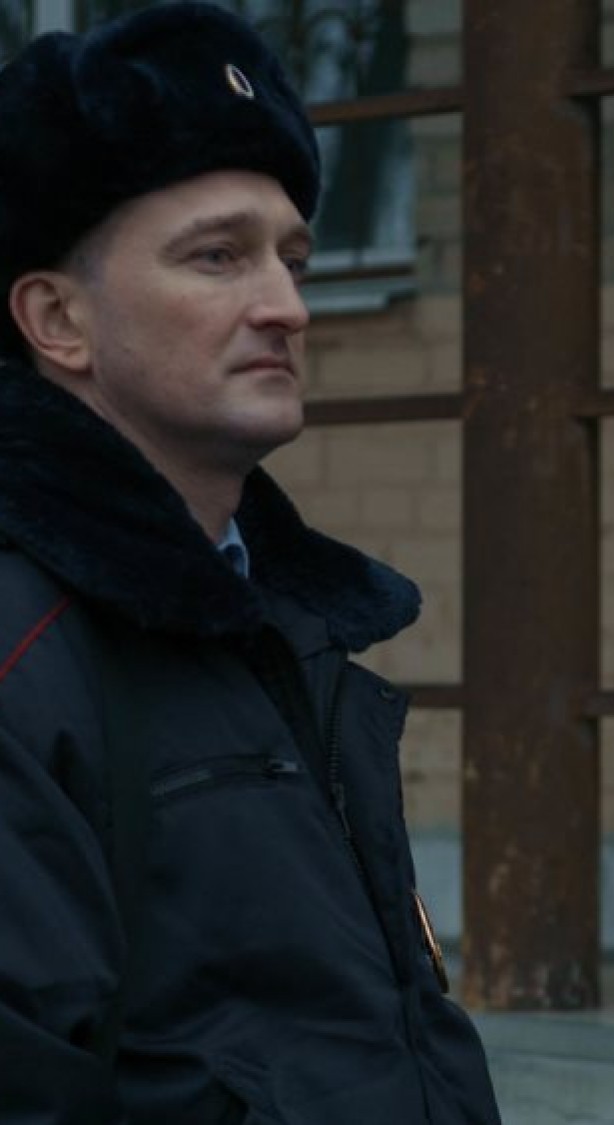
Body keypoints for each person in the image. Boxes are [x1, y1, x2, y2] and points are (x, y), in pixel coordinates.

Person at [0, 6, 501, 1123]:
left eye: (293, 258)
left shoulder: (287, 626)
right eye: (218, 257)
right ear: (57, 319)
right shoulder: (25, 651)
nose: (286, 306)